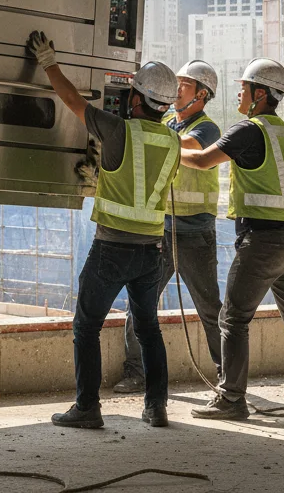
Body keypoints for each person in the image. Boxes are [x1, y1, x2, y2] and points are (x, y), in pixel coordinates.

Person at [26, 29, 179, 429]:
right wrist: (101, 175)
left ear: (135, 97)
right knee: (148, 328)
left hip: (112, 248)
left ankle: (88, 408)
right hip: (152, 252)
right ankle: (156, 406)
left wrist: (47, 62)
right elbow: (144, 184)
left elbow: (73, 100)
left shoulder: (117, 130)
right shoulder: (174, 142)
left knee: (86, 325)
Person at [181, 58, 284, 419]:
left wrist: (165, 150)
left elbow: (203, 161)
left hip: (261, 243)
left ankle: (231, 400)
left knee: (232, 320)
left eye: (244, 87)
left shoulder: (248, 129)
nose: (239, 92)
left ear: (259, 93)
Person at [114, 60, 223, 394]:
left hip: (195, 234)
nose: (177, 90)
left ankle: (228, 376)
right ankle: (136, 373)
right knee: (141, 304)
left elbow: (190, 147)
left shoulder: (207, 129)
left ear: (202, 94)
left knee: (210, 310)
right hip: (162, 231)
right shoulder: (168, 126)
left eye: (184, 85)